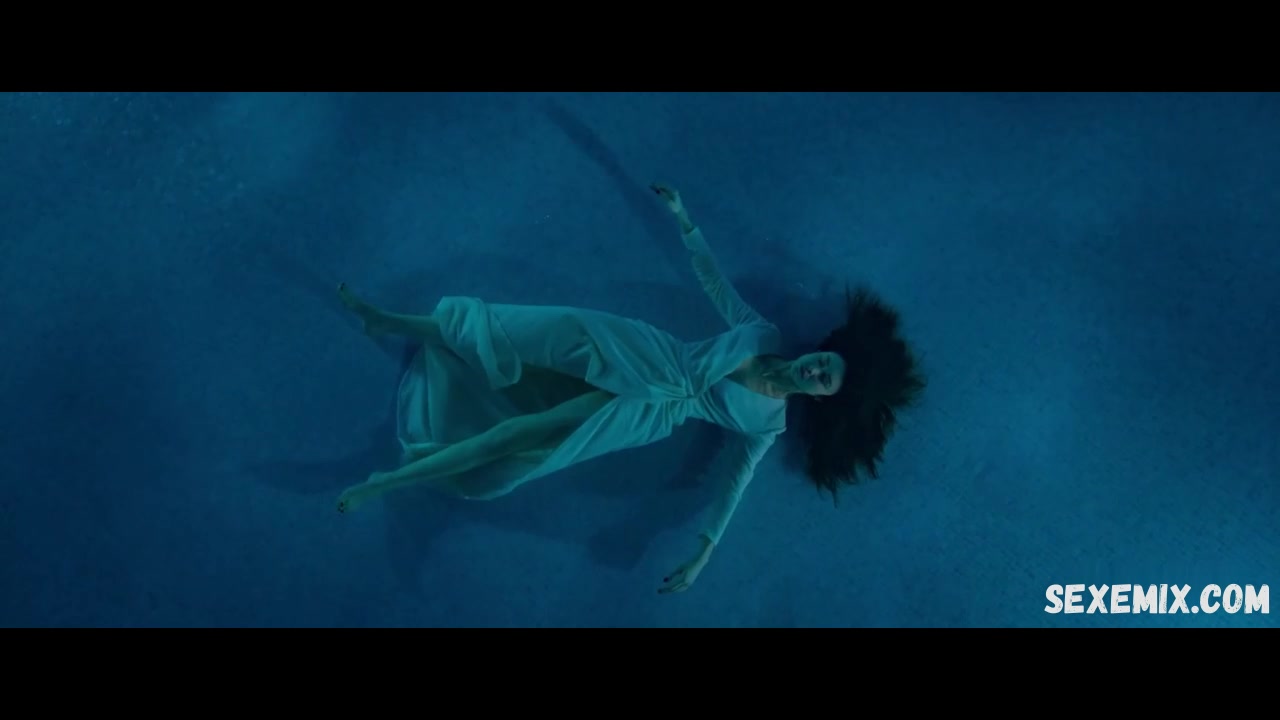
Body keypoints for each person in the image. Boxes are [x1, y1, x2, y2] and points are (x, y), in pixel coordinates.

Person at [333, 182, 925, 594]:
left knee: (528, 435)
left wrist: (704, 550)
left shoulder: (767, 424)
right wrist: (685, 219)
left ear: (822, 397)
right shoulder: (762, 333)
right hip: (641, 349)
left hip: (652, 411)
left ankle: (386, 481)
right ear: (818, 350)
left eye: (824, 379)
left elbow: (734, 484)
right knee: (517, 330)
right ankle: (386, 320)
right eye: (823, 361)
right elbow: (717, 286)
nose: (816, 370)